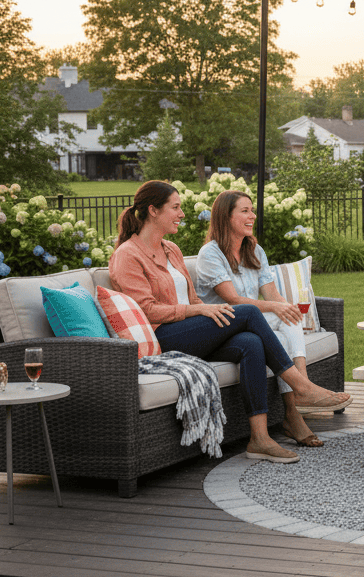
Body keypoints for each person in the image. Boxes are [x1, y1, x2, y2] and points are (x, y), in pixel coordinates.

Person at [108, 181, 350, 464]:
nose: (182, 214)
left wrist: (203, 309)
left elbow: (193, 297)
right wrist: (198, 311)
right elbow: (147, 309)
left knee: (251, 343)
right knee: (247, 312)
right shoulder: (128, 254)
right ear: (153, 210)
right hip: (164, 336)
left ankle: (259, 438)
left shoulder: (171, 249)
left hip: (189, 328)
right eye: (175, 207)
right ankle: (302, 387)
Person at [194, 190, 331, 448]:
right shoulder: (210, 254)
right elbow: (233, 299)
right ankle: (302, 394)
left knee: (288, 320)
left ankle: (296, 404)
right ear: (226, 216)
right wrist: (276, 307)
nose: (252, 216)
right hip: (223, 326)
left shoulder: (254, 250)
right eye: (244, 211)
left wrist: (285, 307)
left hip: (251, 323)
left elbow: (271, 294)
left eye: (252, 210)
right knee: (281, 316)